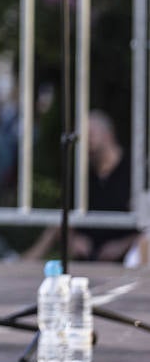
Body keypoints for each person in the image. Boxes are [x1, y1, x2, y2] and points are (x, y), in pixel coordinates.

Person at [24, 109, 142, 264]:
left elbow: (146, 227)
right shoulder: (83, 175)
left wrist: (122, 246)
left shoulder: (136, 172)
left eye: (90, 134)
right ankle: (22, 265)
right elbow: (66, 216)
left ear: (108, 135)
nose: (84, 142)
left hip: (127, 260)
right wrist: (74, 240)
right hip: (88, 259)